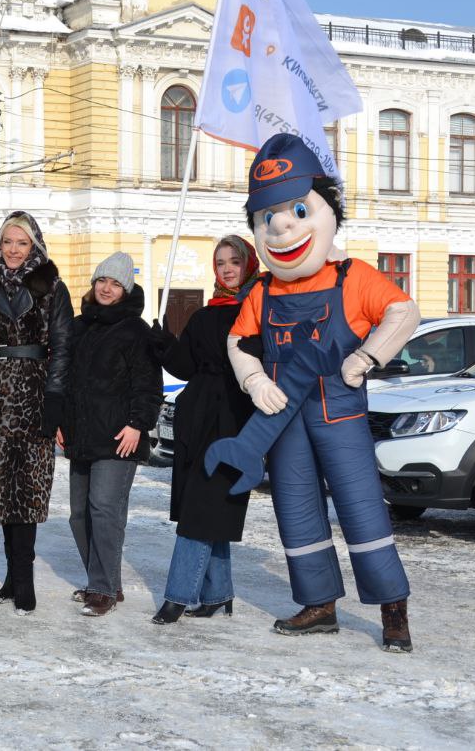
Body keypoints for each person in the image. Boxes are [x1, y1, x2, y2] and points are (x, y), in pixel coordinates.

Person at [211, 133, 420, 652]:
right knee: (296, 511)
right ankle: (319, 603)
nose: (281, 228)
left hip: (339, 414)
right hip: (283, 424)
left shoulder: (353, 277)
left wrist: (366, 357)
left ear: (326, 212)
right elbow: (238, 341)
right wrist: (255, 380)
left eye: (298, 211)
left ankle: (393, 609)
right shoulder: (262, 291)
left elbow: (403, 312)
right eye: (267, 219)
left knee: (362, 510)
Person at [150, 236, 260, 625]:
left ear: (248, 264)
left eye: (234, 261)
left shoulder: (259, 309)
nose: (227, 268)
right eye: (221, 263)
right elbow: (184, 366)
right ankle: (217, 594)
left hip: (233, 420)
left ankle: (178, 597)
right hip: (195, 419)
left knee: (202, 509)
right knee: (205, 508)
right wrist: (162, 340)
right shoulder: (204, 313)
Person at [0, 210, 73, 615]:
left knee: (27, 488)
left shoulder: (52, 287)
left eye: (22, 243)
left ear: (35, 246)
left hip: (33, 393)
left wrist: (54, 402)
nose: (13, 250)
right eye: (7, 242)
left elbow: (63, 348)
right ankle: (12, 576)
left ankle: (24, 578)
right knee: (1, 488)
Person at [59, 252, 160, 617]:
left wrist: (138, 424)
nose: (106, 288)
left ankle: (101, 589)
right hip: (82, 434)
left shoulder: (135, 330)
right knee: (78, 515)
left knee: (105, 511)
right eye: (102, 280)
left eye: (115, 283)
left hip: (120, 436)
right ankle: (103, 581)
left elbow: (148, 385)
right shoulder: (79, 326)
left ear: (125, 290)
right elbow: (66, 381)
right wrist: (60, 421)